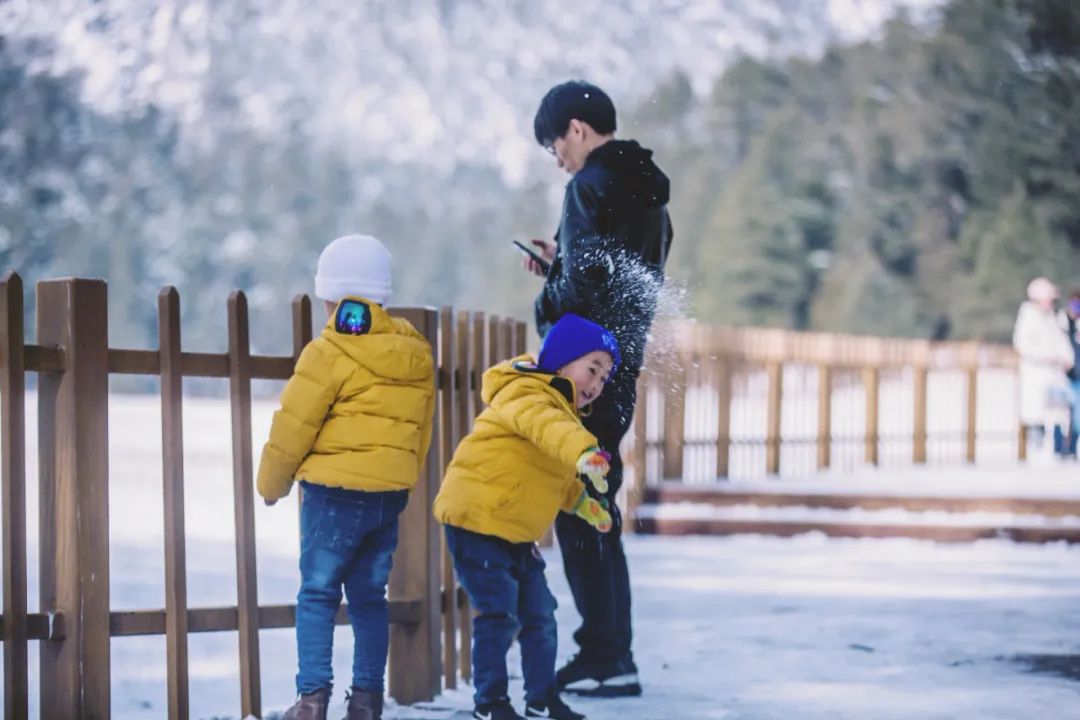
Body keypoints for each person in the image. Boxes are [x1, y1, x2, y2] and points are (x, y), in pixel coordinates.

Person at [523, 80, 673, 697]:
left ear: (578, 130)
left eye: (555, 143)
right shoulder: (650, 193)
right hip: (620, 366)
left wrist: (546, 295)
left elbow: (582, 293)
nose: (557, 157)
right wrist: (564, 258)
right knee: (598, 507)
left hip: (582, 377)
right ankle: (613, 652)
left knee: (581, 512)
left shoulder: (585, 187)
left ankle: (606, 652)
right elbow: (618, 272)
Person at [256, 234, 436, 720]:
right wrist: (401, 481)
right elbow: (419, 431)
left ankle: (313, 700)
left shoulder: (329, 351)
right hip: (386, 497)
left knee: (317, 593)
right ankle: (366, 701)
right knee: (368, 599)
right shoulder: (415, 353)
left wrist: (272, 483)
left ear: (331, 298)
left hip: (331, 495)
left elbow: (293, 426)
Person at [434, 313, 621, 720]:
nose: (596, 384)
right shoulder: (526, 393)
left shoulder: (564, 416)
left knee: (540, 616)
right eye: (592, 369)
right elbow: (549, 429)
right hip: (478, 522)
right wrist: (586, 451)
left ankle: (540, 698)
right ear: (561, 358)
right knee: (499, 614)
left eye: (604, 378)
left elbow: (555, 474)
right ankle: (491, 703)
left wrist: (584, 504)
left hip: (515, 532)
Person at [1012, 277, 1074, 464]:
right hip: (1037, 374)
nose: (1052, 302)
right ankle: (1037, 454)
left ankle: (1057, 451)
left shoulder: (1054, 317)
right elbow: (1023, 346)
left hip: (1054, 376)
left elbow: (1063, 343)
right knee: (1036, 417)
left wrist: (1066, 359)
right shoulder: (1028, 316)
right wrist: (1048, 357)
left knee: (1057, 415)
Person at [1060, 290, 1080, 457]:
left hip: (1077, 376)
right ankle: (1062, 449)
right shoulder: (1062, 321)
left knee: (1077, 415)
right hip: (1067, 376)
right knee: (1062, 414)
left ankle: (1072, 448)